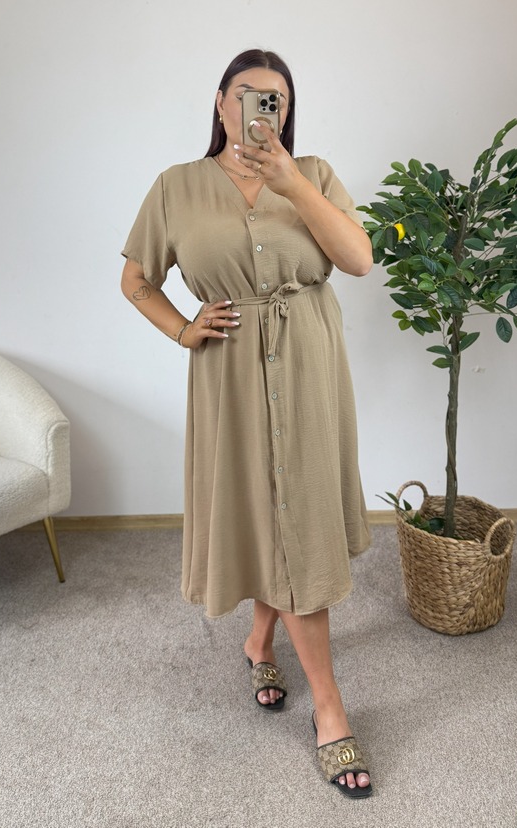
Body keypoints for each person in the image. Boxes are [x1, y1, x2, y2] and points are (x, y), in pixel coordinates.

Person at [120, 48, 374, 798]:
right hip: (229, 372)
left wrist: (291, 183)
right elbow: (136, 279)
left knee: (294, 517)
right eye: (248, 93)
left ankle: (268, 648)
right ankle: (324, 703)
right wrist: (181, 328)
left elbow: (358, 259)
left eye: (277, 99)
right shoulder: (176, 186)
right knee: (268, 510)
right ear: (220, 102)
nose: (263, 108)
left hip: (307, 363)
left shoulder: (314, 174)